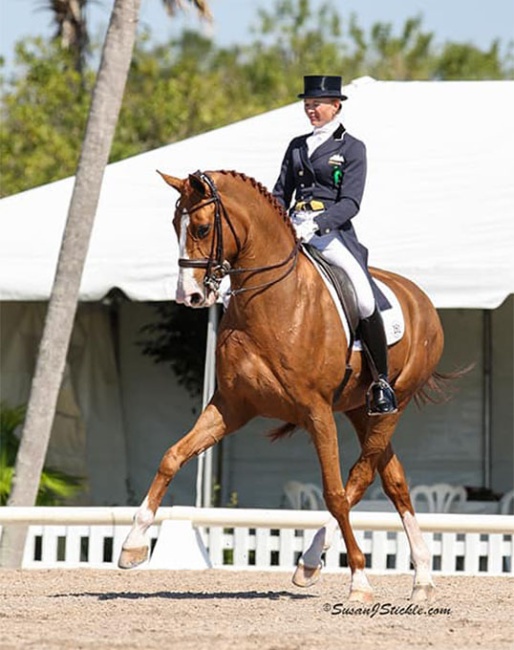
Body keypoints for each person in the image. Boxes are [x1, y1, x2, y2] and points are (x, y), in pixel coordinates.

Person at [272, 74, 397, 415]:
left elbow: (351, 201)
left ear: (335, 106)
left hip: (331, 232)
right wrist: (277, 225)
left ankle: (381, 382)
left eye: (316, 105)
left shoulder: (352, 147)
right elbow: (281, 192)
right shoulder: (297, 145)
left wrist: (317, 223)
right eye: (307, 105)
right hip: (293, 228)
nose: (310, 111)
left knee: (364, 296)